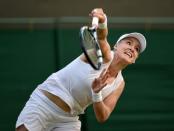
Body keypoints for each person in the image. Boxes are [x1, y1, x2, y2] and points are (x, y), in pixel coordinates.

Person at [16, 8, 147, 131]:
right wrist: (102, 20)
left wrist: (96, 94)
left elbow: (103, 116)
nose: (132, 48)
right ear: (116, 47)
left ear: (135, 59)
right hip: (43, 104)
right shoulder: (104, 55)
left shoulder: (120, 84)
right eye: (128, 43)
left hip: (68, 119)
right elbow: (101, 37)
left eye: (137, 49)